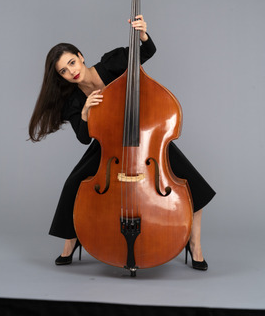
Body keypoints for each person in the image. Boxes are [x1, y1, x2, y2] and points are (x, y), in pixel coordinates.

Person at [29, 15, 215, 271]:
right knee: (73, 184)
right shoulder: (72, 100)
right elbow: (85, 139)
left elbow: (147, 51)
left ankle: (195, 246)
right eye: (63, 70)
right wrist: (84, 113)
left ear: (81, 56)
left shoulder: (112, 63)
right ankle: (70, 243)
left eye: (72, 62)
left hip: (146, 140)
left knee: (195, 186)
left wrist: (143, 35)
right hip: (107, 147)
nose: (72, 71)